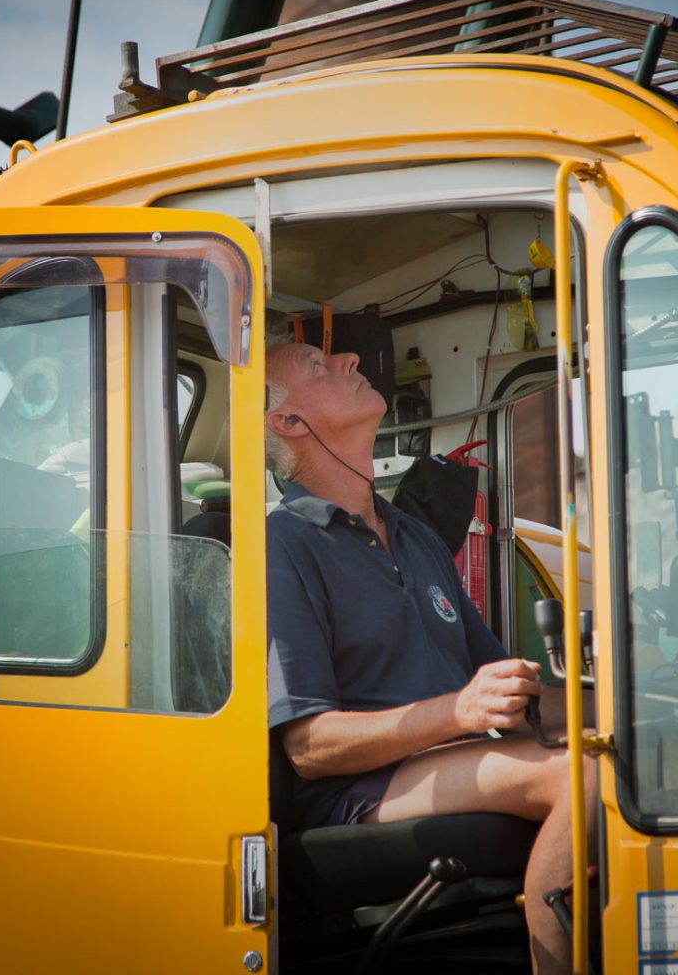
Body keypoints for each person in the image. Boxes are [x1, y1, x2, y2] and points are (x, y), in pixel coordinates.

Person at [264, 340, 593, 974]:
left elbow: (509, 694)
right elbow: (308, 748)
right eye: (318, 366)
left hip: (452, 756)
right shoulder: (284, 545)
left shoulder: (414, 537)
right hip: (358, 792)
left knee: (618, 749)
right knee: (580, 778)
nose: (350, 360)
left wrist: (628, 704)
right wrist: (459, 710)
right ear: (290, 423)